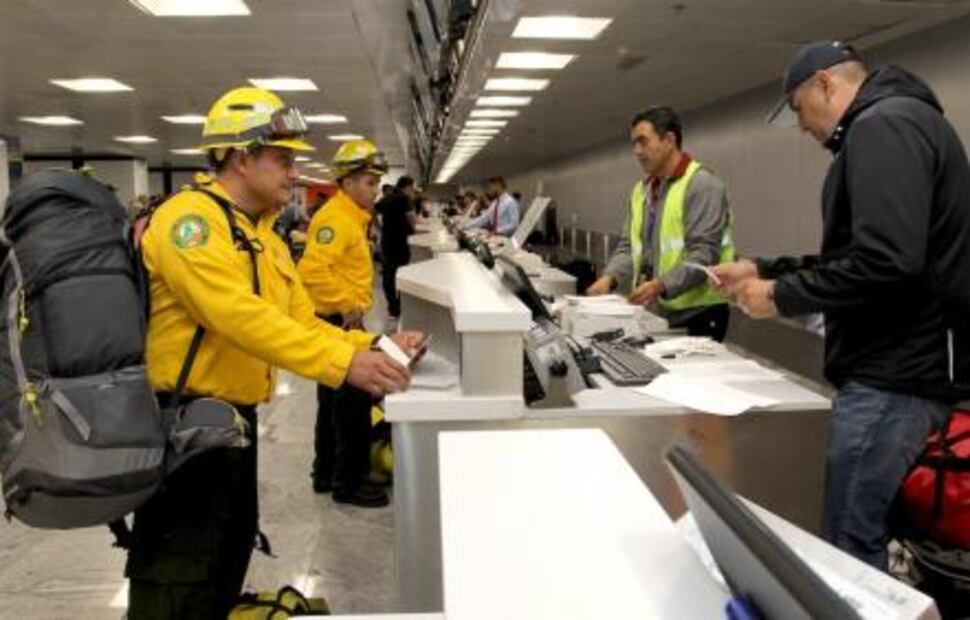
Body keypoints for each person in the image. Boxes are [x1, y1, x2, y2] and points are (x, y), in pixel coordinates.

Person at [126, 87, 421, 619]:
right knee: (178, 578)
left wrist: (374, 345)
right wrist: (343, 365)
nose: (294, 172)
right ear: (241, 157)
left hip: (232, 425)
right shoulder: (190, 223)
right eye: (283, 158)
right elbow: (235, 315)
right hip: (182, 426)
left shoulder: (261, 235)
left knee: (225, 559)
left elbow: (297, 322)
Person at [714, 41, 970, 571]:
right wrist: (765, 270)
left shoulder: (883, 127)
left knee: (851, 549)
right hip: (906, 370)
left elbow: (888, 263)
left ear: (826, 84)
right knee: (871, 537)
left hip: (894, 379)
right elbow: (863, 255)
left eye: (799, 109)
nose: (804, 128)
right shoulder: (899, 123)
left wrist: (780, 296)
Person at [298, 138, 394, 507]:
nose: (374, 189)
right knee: (349, 405)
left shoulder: (352, 218)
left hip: (339, 319)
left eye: (376, 182)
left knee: (333, 404)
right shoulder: (336, 219)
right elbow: (313, 270)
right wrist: (347, 306)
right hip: (336, 321)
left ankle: (326, 472)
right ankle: (348, 483)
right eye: (369, 182)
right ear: (348, 182)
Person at [586, 106, 735, 341]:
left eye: (643, 142)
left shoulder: (702, 184)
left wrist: (660, 285)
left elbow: (704, 254)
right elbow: (629, 246)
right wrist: (609, 278)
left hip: (700, 314)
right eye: (634, 143)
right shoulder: (641, 191)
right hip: (662, 310)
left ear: (669, 139)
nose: (637, 151)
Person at [376, 175, 418, 318]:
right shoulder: (404, 198)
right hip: (401, 241)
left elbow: (372, 211)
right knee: (402, 273)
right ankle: (401, 306)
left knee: (388, 275)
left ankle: (392, 308)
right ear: (407, 186)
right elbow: (411, 218)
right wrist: (414, 230)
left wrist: (379, 228)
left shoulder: (388, 196)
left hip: (387, 240)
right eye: (412, 187)